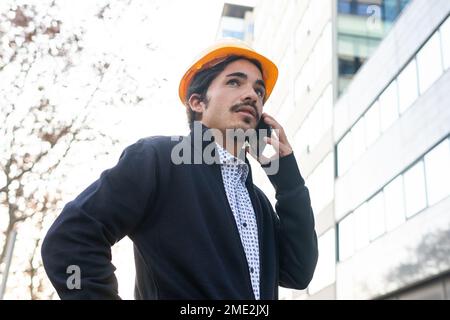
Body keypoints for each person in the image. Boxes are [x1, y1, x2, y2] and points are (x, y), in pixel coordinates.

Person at [41, 39, 318, 300]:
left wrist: (288, 181)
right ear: (197, 102)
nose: (252, 96)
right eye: (235, 82)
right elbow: (68, 241)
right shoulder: (157, 160)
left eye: (259, 91)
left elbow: (298, 272)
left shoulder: (259, 203)